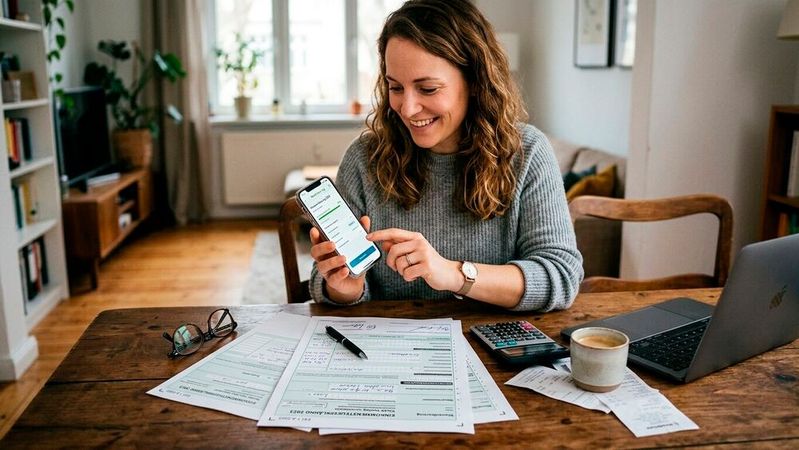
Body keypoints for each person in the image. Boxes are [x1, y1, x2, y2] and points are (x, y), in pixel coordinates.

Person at [308, 0, 583, 311]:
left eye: (427, 89)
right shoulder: (364, 158)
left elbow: (560, 277)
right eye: (395, 87)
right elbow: (327, 281)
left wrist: (453, 274)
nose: (407, 109)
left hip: (492, 349)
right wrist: (345, 287)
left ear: (475, 82)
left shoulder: (527, 152)